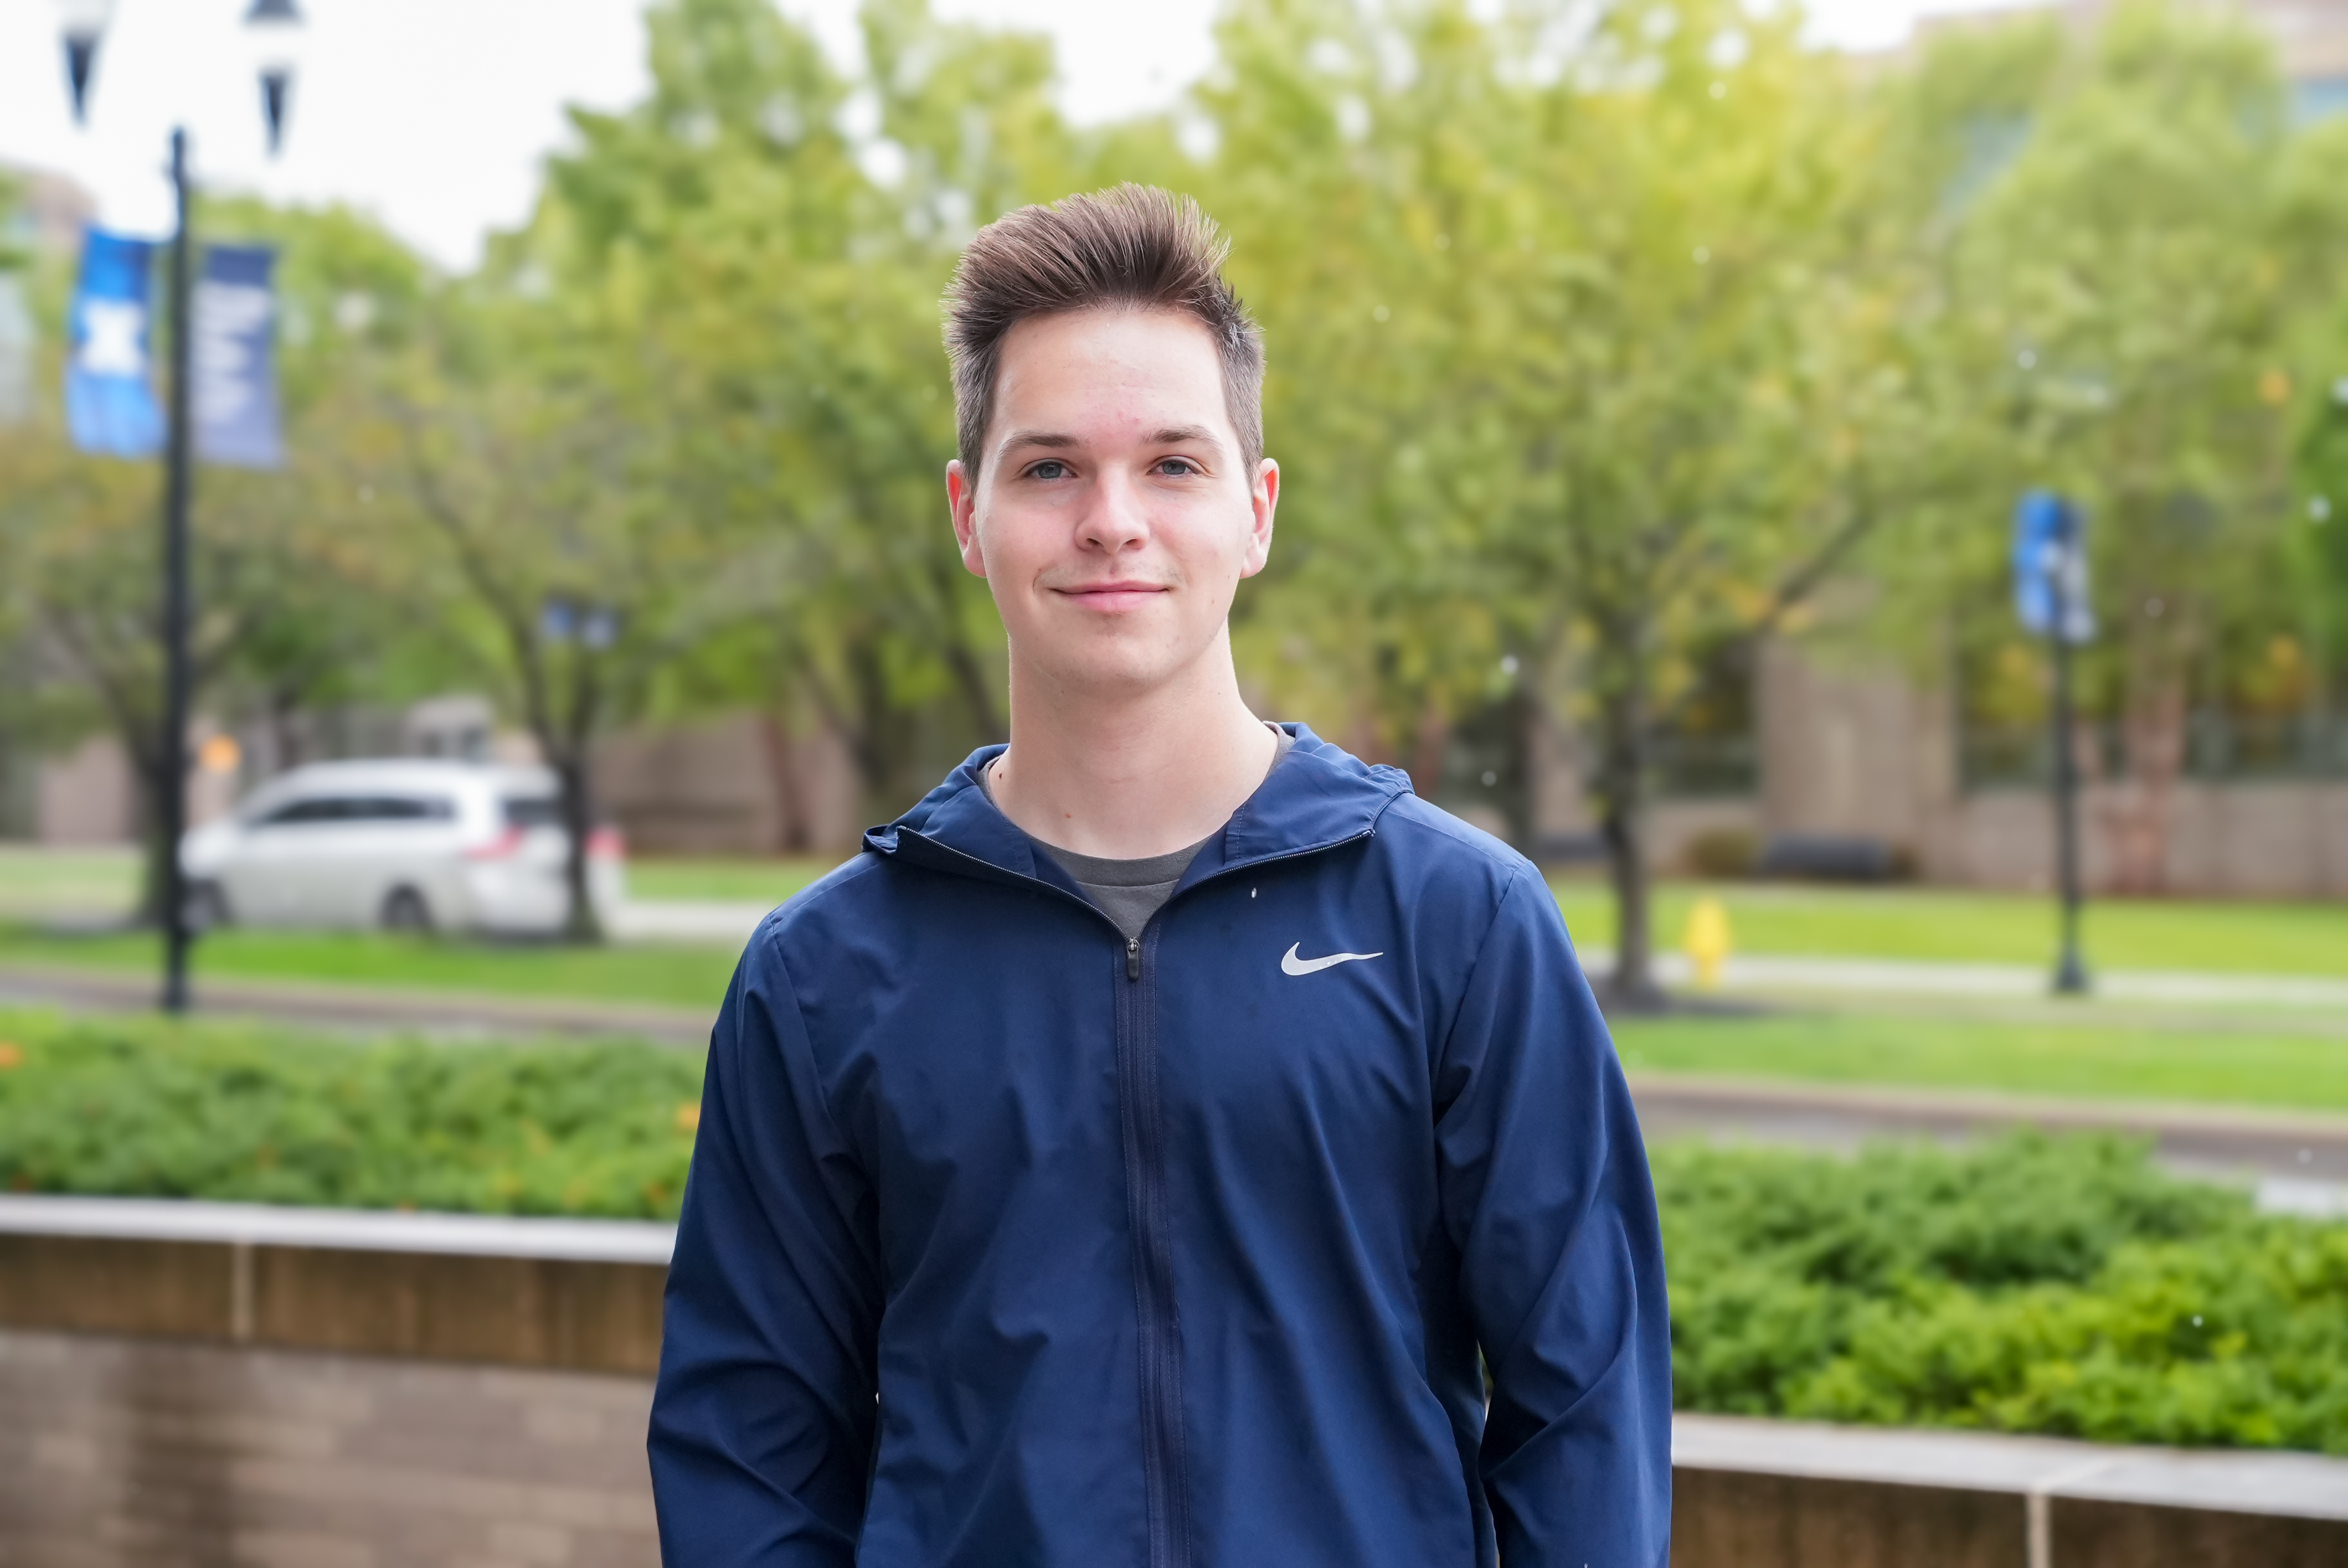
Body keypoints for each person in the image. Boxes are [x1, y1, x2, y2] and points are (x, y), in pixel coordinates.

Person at [648, 184, 1671, 1567]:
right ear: (969, 514)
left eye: (1171, 466)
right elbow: (748, 1449)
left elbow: (1586, 1417)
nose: (1110, 520)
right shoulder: (825, 975)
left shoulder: (1456, 923)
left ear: (1252, 513)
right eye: (1049, 467)